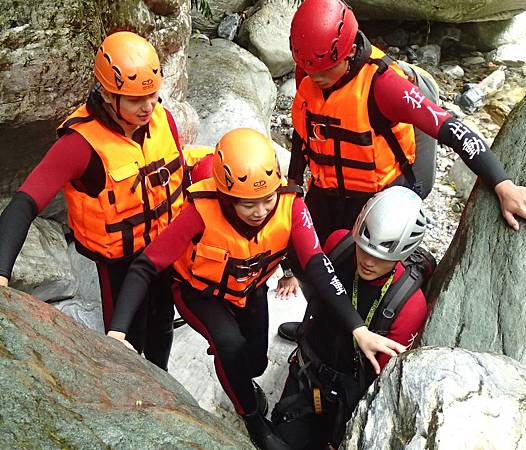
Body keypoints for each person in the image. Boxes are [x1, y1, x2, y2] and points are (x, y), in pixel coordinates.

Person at [106, 128, 405, 450]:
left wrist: (357, 328)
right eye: (248, 204)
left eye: (267, 199)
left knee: (256, 364)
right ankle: (251, 417)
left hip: (251, 288)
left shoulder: (291, 207)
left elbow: (318, 265)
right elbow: (145, 265)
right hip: (200, 293)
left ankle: (239, 378)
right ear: (225, 195)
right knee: (229, 345)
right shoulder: (199, 212)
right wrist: (118, 331)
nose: (261, 211)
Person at [277, 0, 526, 341]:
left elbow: (450, 128)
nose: (315, 79)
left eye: (324, 71)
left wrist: (502, 183)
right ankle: (317, 327)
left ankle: (363, 341)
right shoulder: (312, 64)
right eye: (309, 70)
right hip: (327, 189)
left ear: (348, 53)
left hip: (374, 197)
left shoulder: (384, 85)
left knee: (363, 274)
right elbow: (305, 130)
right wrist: (293, 181)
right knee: (309, 264)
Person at [0, 31, 187, 370]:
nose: (148, 107)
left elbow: (179, 178)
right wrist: (0, 270)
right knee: (126, 338)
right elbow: (26, 201)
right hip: (120, 265)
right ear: (108, 93)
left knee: (161, 323)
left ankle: (163, 378)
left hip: (163, 250)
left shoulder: (162, 118)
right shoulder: (80, 145)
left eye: (153, 95)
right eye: (135, 99)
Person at [272, 186, 431, 449]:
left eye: (381, 257)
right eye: (365, 249)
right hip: (309, 369)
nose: (368, 261)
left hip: (347, 395)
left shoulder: (409, 306)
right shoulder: (340, 244)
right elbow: (319, 291)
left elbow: (384, 380)